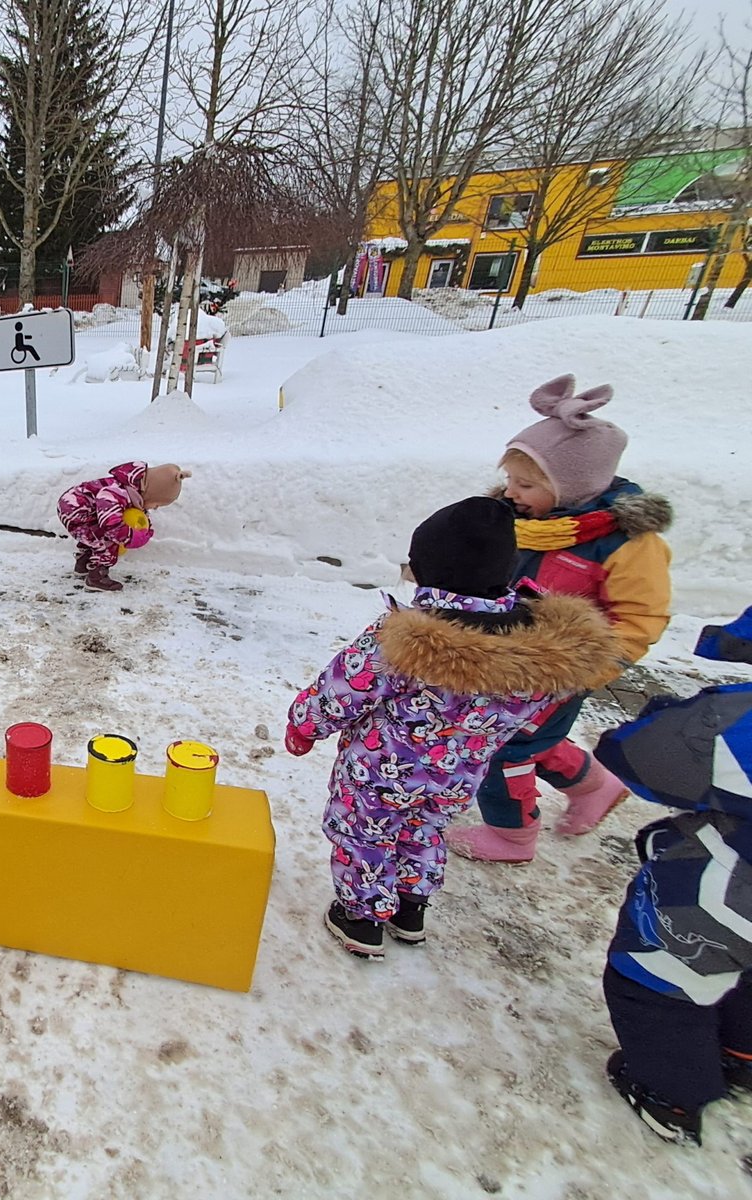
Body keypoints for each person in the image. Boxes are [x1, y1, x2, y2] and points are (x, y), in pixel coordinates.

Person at [285, 497, 619, 960]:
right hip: (458, 776)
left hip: (380, 774)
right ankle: (409, 910)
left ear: (428, 568)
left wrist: (304, 724)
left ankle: (360, 919)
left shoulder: (407, 638)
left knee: (365, 835)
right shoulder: (537, 648)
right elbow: (527, 710)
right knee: (423, 830)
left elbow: (343, 688)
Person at [448, 375, 674, 863]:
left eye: (526, 484)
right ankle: (594, 785)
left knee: (501, 745)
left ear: (572, 486)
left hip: (563, 670)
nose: (511, 492)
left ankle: (511, 835)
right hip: (508, 660)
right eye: (511, 479)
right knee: (530, 734)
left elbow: (640, 616)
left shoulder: (627, 545)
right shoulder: (529, 523)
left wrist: (591, 669)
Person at [598, 608, 752, 1147]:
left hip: (731, 895)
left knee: (658, 982)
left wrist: (674, 713)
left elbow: (641, 756)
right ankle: (741, 1052)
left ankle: (672, 1094)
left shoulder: (738, 723)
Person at [56, 461, 191, 592]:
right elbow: (111, 524)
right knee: (107, 541)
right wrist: (129, 537)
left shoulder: (130, 490)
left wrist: (145, 529)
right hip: (76, 510)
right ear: (150, 493)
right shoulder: (116, 493)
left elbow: (135, 514)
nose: (156, 508)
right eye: (157, 504)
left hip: (76, 507)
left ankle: (83, 564)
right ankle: (96, 577)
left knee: (93, 536)